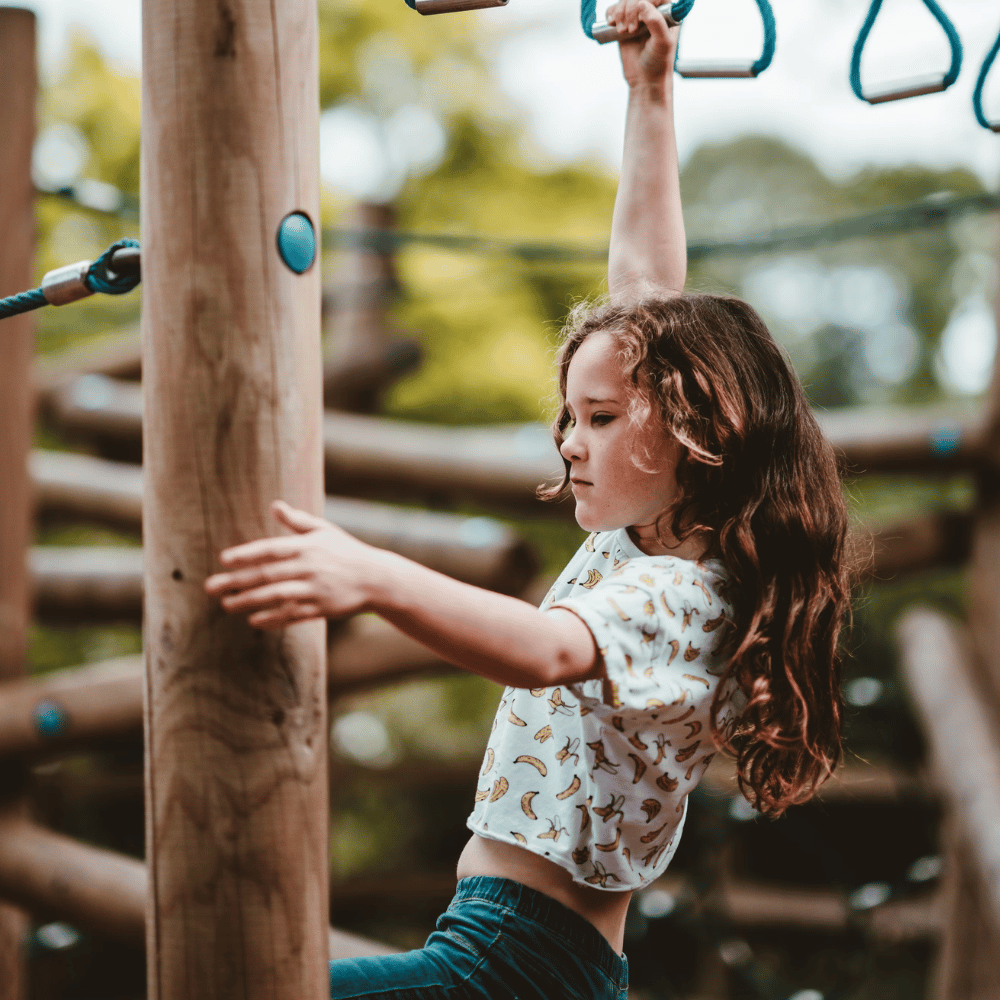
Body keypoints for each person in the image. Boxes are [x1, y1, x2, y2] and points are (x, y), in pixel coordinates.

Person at [204, 2, 851, 997]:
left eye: (597, 419)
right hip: (517, 952)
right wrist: (648, 97)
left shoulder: (685, 592)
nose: (567, 438)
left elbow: (546, 649)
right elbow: (644, 284)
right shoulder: (645, 545)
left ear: (695, 432)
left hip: (513, 965)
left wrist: (368, 572)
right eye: (568, 415)